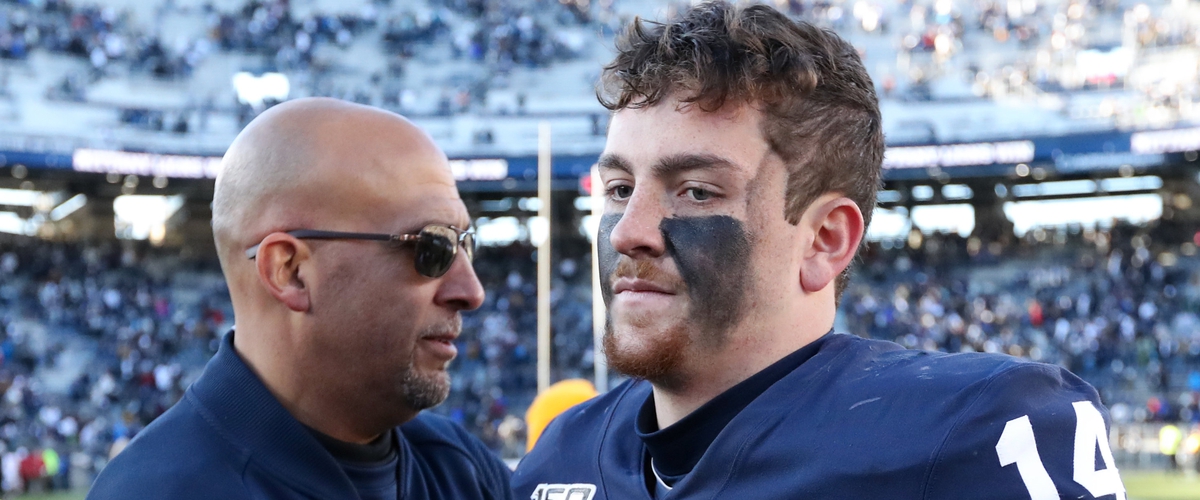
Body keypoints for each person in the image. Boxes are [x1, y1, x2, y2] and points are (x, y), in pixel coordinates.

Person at [512, 3, 1127, 499]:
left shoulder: (976, 433)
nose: (627, 230)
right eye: (619, 189)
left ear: (824, 240)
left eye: (696, 191)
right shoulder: (560, 458)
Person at [88, 98, 513, 500]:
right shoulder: (162, 489)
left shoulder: (461, 469)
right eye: (432, 247)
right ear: (289, 272)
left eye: (465, 246)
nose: (471, 291)